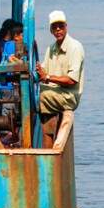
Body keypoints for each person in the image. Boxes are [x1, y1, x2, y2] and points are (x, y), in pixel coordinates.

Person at [36, 10, 85, 148]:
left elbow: (71, 80)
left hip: (69, 96)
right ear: (51, 30)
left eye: (61, 26)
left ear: (66, 27)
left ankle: (45, 137)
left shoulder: (75, 47)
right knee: (34, 93)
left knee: (38, 97)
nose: (58, 30)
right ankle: (46, 134)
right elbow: (44, 72)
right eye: (55, 27)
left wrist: (48, 77)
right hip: (55, 93)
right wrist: (39, 70)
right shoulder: (51, 48)